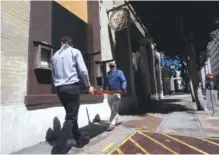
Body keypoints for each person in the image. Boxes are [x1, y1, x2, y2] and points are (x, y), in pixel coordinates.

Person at [51, 36, 94, 154]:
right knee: (70, 118)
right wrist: (88, 85)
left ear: (61, 43)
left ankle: (79, 139)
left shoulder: (55, 56)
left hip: (60, 89)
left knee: (71, 115)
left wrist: (58, 86)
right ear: (71, 44)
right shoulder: (74, 52)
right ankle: (58, 149)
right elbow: (83, 70)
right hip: (71, 87)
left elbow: (53, 74)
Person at [102, 61, 127, 131]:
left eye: (113, 63)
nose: (111, 64)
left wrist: (123, 87)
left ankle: (111, 124)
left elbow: (124, 81)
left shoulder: (119, 72)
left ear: (115, 65)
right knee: (112, 109)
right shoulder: (108, 74)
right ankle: (118, 120)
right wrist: (101, 90)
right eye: (110, 64)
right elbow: (105, 83)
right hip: (109, 93)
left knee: (114, 109)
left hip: (117, 93)